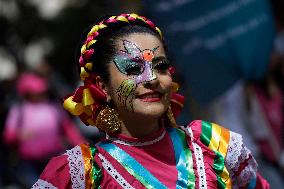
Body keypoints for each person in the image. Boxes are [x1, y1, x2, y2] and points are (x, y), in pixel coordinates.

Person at [32, 13, 269, 189]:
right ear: (102, 86)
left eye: (161, 66)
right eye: (134, 68)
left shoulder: (211, 143)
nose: (152, 78)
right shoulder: (80, 173)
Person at [3, 72, 85, 187]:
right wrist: (18, 135)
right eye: (36, 92)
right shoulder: (19, 110)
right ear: (27, 93)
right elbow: (8, 136)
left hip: (54, 159)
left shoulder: (53, 107)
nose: (40, 94)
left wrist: (82, 146)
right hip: (29, 163)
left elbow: (69, 130)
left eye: (42, 92)